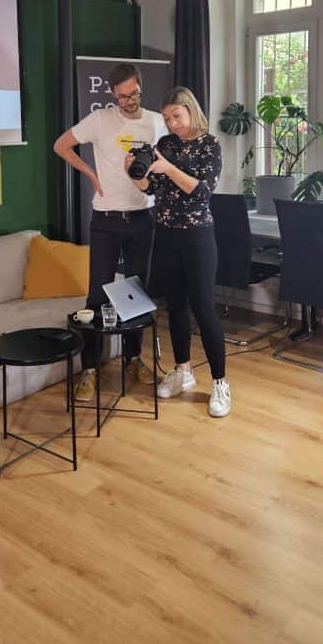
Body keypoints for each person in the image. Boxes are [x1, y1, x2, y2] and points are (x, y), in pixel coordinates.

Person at [53, 62, 165, 401]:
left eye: (134, 94)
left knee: (137, 293)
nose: (129, 101)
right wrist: (90, 174)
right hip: (105, 219)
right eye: (122, 96)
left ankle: (133, 358)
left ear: (141, 87)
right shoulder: (100, 119)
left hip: (142, 217)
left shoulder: (156, 121)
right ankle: (89, 369)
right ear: (112, 94)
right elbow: (61, 145)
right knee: (97, 295)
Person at [126, 86, 230, 418]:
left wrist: (168, 168)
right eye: (167, 117)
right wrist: (135, 174)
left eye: (177, 115)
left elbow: (201, 193)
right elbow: (153, 189)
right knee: (175, 307)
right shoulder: (166, 145)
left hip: (198, 236)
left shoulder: (209, 145)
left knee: (203, 307)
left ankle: (220, 383)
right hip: (167, 234)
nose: (172, 123)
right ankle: (183, 371)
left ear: (191, 110)